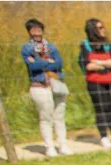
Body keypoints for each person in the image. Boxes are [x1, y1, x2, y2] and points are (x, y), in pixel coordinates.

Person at [21, 18, 72, 157]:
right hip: (40, 86)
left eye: (39, 29)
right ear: (29, 32)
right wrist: (48, 62)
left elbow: (59, 63)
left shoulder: (51, 46)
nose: (37, 32)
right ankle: (49, 146)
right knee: (46, 117)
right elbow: (32, 66)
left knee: (59, 117)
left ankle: (63, 145)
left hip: (56, 84)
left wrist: (39, 62)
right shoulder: (26, 48)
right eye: (33, 29)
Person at [78, 18, 111, 148]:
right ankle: (103, 136)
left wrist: (99, 62)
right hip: (95, 83)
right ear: (93, 30)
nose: (103, 29)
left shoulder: (107, 44)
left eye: (103, 27)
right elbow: (88, 66)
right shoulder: (85, 45)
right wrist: (108, 64)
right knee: (101, 108)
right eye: (100, 27)